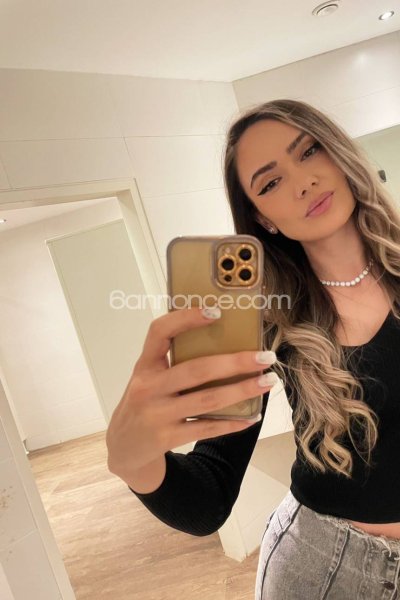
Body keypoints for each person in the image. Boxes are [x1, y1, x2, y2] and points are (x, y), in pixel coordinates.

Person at [106, 99, 400, 599]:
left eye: (309, 151)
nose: (303, 181)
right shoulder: (261, 319)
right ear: (263, 219)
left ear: (338, 153)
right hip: (330, 572)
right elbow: (207, 499)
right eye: (270, 183)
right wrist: (133, 462)